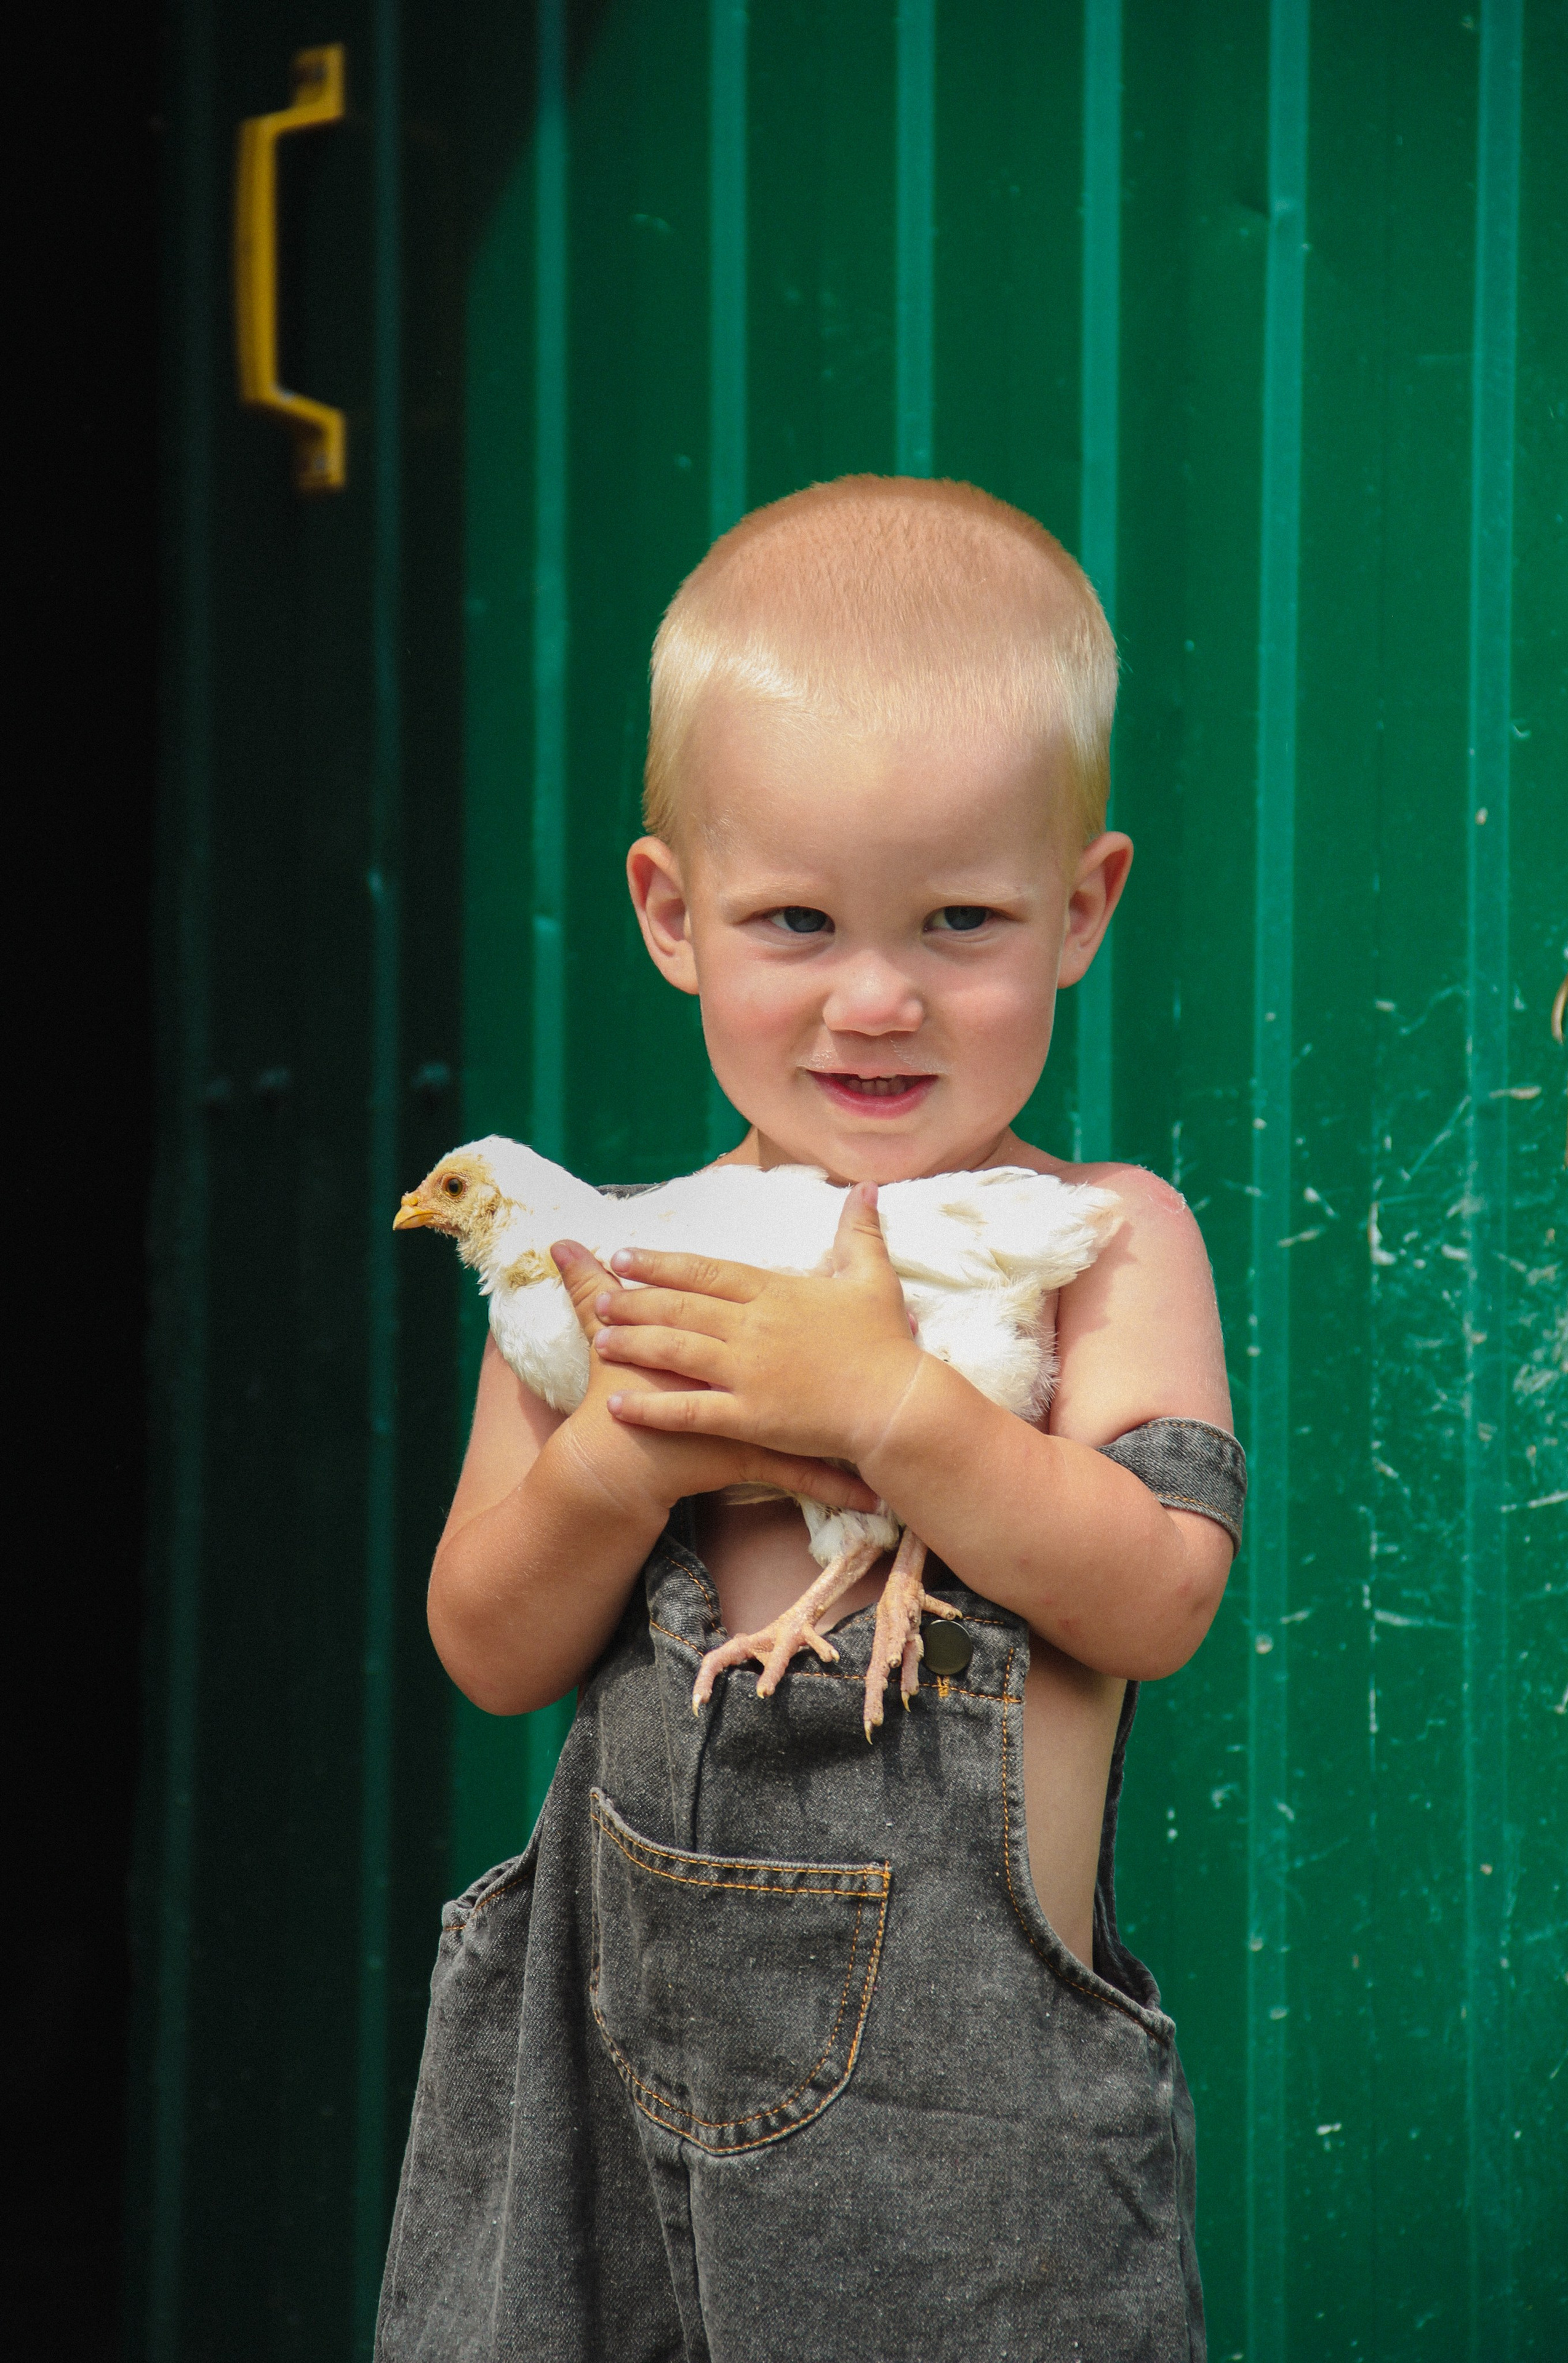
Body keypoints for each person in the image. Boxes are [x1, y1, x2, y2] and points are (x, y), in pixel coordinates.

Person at [378, 477, 1243, 2362]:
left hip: (969, 2162)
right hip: (595, 2124)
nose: (876, 997)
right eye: (794, 918)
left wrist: (888, 1407)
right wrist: (627, 1450)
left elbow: (1155, 1594)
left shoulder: (1100, 1244)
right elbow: (491, 1644)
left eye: (958, 919)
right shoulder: (621, 1267)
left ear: (1081, 908)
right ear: (671, 915)